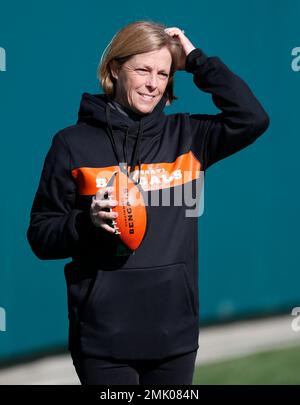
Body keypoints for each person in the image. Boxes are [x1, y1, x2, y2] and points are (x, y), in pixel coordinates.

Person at [27, 20, 270, 385]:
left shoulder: (188, 136)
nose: (153, 83)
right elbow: (40, 235)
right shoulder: (72, 144)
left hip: (174, 338)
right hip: (103, 341)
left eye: (163, 73)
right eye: (142, 69)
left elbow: (252, 118)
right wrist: (85, 222)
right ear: (114, 69)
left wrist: (195, 60)